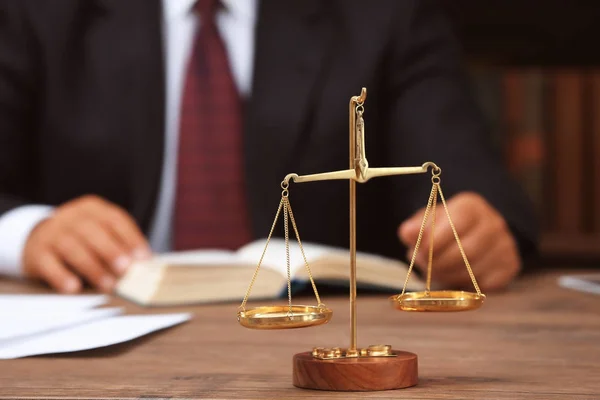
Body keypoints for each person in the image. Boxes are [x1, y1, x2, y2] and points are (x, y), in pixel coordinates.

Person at [0, 0, 537, 294]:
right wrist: (28, 232)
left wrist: (475, 231)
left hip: (314, 336)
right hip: (99, 331)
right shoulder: (34, 13)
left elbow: (468, 182)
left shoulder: (385, 14)